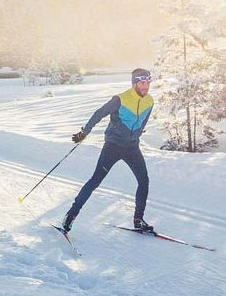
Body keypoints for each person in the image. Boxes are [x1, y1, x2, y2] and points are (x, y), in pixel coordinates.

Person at [59, 68, 155, 236]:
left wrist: (136, 135)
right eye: (142, 82)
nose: (145, 86)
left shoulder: (149, 101)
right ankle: (70, 215)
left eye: (147, 82)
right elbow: (99, 114)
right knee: (95, 181)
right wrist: (84, 132)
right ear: (134, 83)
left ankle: (138, 220)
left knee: (143, 180)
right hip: (113, 146)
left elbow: (144, 122)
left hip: (132, 147)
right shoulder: (120, 99)